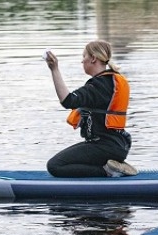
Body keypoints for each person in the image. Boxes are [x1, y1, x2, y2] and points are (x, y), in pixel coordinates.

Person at [45, 40, 137, 178]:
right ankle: (113, 167)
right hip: (117, 145)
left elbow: (67, 100)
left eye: (84, 57)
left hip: (105, 146)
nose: (82, 61)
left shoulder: (99, 85)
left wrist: (54, 69)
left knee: (55, 166)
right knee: (61, 162)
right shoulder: (109, 81)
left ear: (93, 58)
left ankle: (108, 171)